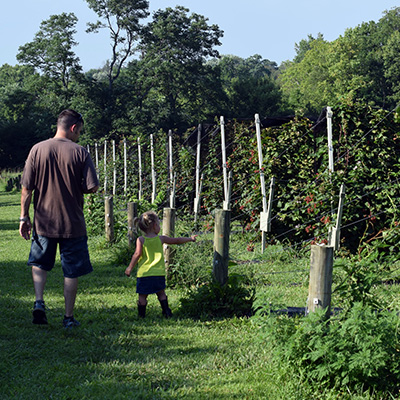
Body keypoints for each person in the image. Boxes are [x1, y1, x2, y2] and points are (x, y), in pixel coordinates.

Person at [19, 109, 99, 328]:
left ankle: (38, 302)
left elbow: (27, 189)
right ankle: (68, 317)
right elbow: (92, 187)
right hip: (72, 223)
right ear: (73, 128)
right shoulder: (80, 152)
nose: (79, 135)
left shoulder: (37, 149)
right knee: (71, 270)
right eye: (79, 131)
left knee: (39, 263)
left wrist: (24, 218)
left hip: (43, 222)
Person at [125, 211, 196, 318]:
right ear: (154, 226)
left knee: (142, 296)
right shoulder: (160, 239)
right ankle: (166, 311)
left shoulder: (141, 240)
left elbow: (137, 254)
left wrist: (130, 268)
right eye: (158, 224)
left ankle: (141, 315)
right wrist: (190, 239)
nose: (159, 227)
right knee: (161, 293)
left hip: (144, 274)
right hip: (158, 273)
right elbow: (176, 240)